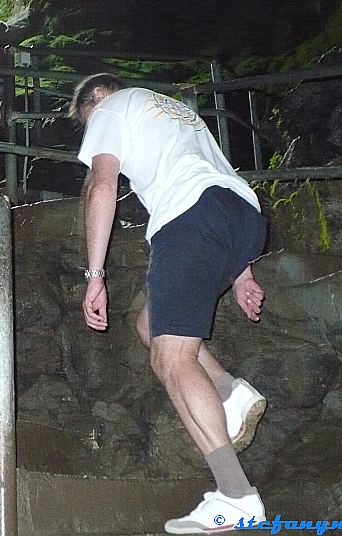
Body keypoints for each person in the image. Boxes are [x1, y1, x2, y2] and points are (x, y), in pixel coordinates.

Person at [71, 73, 269, 534]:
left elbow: (102, 187)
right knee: (150, 324)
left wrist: (94, 275)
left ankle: (236, 497)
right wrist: (242, 272)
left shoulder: (111, 107)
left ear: (98, 99)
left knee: (170, 357)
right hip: (244, 216)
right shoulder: (175, 110)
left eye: (87, 121)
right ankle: (230, 391)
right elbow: (212, 178)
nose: (92, 131)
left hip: (189, 219)